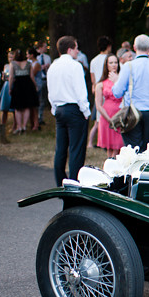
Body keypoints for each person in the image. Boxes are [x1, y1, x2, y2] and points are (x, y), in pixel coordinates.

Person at [112, 34, 149, 153]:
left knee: (133, 151)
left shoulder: (128, 66)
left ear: (134, 47)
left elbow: (117, 93)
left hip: (132, 114)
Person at [48, 36, 91, 186]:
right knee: (76, 149)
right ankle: (73, 183)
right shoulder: (75, 66)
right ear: (69, 49)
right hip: (74, 109)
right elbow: (80, 91)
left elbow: (50, 91)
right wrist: (86, 111)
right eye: (76, 48)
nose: (78, 51)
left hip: (59, 109)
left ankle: (60, 182)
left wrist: (54, 109)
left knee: (60, 148)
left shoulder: (53, 66)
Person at [94, 52, 124, 159]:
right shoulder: (101, 83)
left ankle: (116, 169)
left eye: (116, 62)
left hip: (120, 115)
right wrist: (109, 119)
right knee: (110, 148)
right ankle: (109, 169)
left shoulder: (122, 80)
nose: (114, 65)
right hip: (107, 116)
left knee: (118, 148)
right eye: (111, 62)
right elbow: (98, 105)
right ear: (106, 65)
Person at [88, 36, 113, 149]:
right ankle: (103, 142)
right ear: (108, 46)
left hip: (98, 89)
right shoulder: (109, 59)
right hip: (108, 90)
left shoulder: (93, 60)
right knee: (104, 119)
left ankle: (91, 142)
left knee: (98, 119)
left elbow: (93, 78)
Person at [9, 48, 39, 134]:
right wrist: (35, 86)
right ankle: (24, 126)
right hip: (27, 85)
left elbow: (11, 77)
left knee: (18, 108)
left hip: (18, 85)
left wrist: (10, 88)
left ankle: (19, 127)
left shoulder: (13, 64)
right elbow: (32, 76)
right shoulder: (29, 64)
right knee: (26, 107)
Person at [34, 40, 52, 126]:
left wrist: (47, 67)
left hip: (45, 79)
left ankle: (40, 117)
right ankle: (36, 118)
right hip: (38, 79)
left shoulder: (47, 57)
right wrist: (40, 67)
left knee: (43, 99)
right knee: (39, 99)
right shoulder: (35, 57)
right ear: (40, 47)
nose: (46, 48)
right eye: (45, 46)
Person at [0, 61, 13, 143]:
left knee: (14, 108)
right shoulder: (6, 66)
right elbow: (3, 78)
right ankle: (2, 125)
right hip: (6, 84)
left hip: (13, 84)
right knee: (4, 107)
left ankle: (15, 126)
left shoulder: (15, 65)